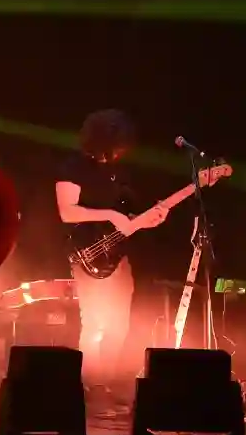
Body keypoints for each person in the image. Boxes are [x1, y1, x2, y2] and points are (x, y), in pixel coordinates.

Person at [55, 109, 167, 381]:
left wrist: (148, 220)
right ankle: (87, 387)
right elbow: (67, 212)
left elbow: (124, 218)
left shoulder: (118, 171)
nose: (118, 152)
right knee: (94, 323)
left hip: (117, 256)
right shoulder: (73, 167)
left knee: (119, 325)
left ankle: (104, 383)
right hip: (87, 254)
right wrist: (109, 215)